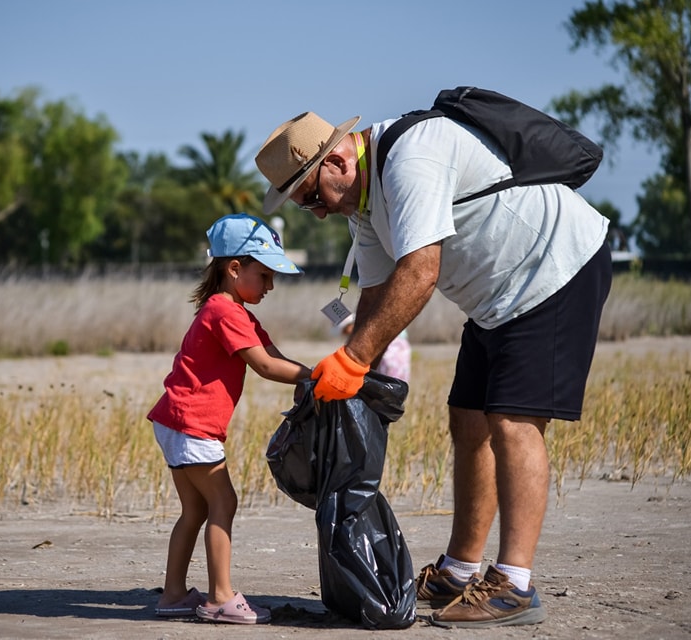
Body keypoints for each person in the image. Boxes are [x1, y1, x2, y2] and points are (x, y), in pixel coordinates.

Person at [255, 109, 611, 628]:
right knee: (468, 419)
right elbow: (376, 293)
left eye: (311, 198)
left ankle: (514, 585)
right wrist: (348, 374)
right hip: (494, 299)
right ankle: (459, 570)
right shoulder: (364, 203)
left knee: (512, 422)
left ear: (337, 162)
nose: (318, 213)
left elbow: (421, 272)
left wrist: (353, 361)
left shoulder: (409, 158)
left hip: (553, 269)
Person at [148, 212, 311, 625]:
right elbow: (265, 366)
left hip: (175, 420)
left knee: (195, 510)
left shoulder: (234, 311)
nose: (271, 285)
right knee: (224, 501)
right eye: (265, 275)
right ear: (234, 268)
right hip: (192, 424)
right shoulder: (225, 312)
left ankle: (173, 595)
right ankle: (220, 597)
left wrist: (310, 374)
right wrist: (316, 378)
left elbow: (272, 354)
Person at [336, 314, 411, 382]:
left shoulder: (368, 327)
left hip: (393, 349)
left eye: (345, 330)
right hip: (389, 350)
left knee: (392, 377)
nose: (346, 333)